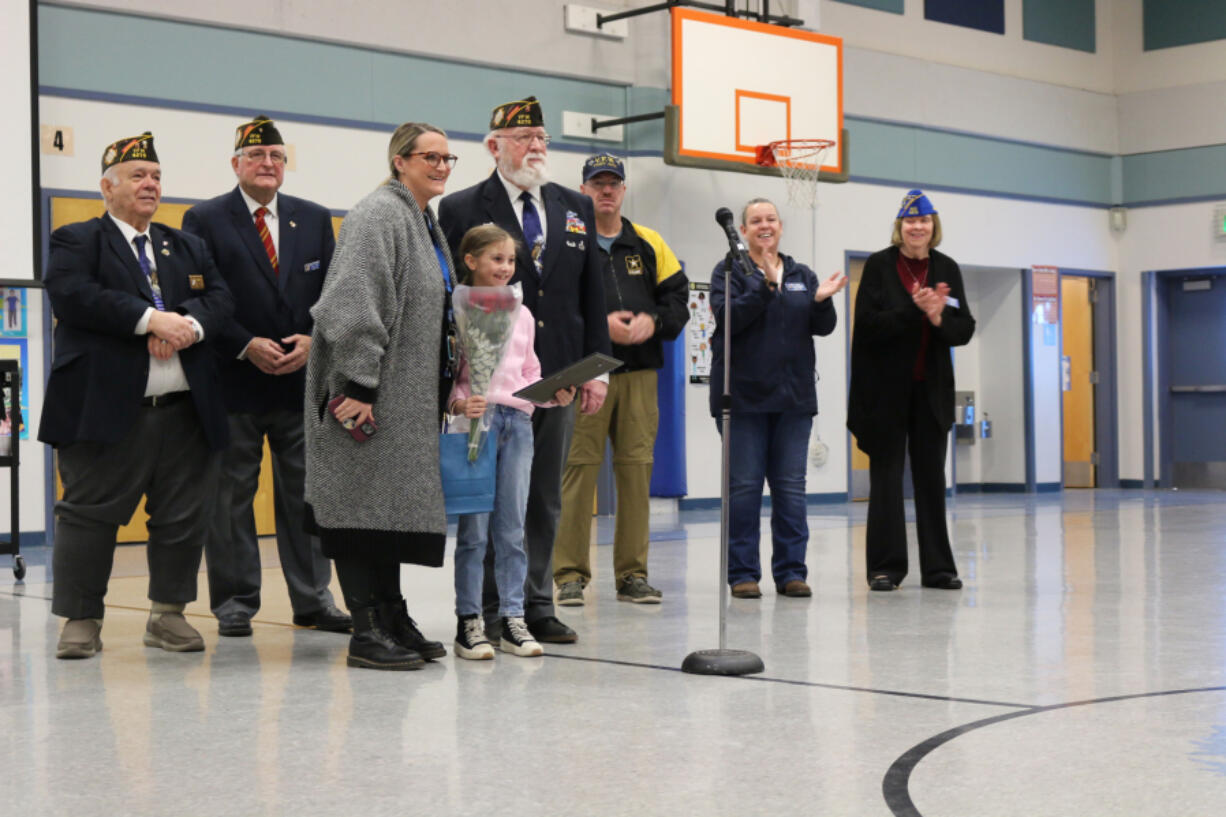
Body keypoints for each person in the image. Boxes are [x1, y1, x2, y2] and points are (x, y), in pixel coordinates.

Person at [41, 132, 234, 659]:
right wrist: (150, 318)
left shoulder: (186, 244)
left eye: (155, 176)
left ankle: (167, 616)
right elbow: (73, 295)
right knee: (89, 515)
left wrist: (187, 328)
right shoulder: (77, 239)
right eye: (137, 176)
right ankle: (81, 620)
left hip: (184, 413)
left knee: (181, 517)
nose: (150, 184)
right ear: (107, 187)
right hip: (103, 411)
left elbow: (220, 299)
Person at [439, 96, 611, 645]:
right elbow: (450, 297)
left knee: (541, 498)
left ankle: (533, 605)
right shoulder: (462, 206)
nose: (536, 146)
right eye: (523, 137)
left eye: (542, 137)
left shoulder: (573, 204)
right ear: (494, 147)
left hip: (553, 378)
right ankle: (485, 610)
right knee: (484, 504)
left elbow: (592, 291)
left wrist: (595, 371)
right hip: (486, 390)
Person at [182, 115, 350, 638]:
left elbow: (332, 292)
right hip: (234, 380)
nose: (268, 164)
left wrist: (312, 339)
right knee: (230, 497)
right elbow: (198, 295)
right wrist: (243, 344)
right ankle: (234, 602)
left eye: (276, 156)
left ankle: (313, 599)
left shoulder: (315, 218)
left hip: (300, 381)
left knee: (308, 495)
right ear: (236, 164)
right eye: (256, 156)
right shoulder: (205, 218)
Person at [303, 122, 457, 670]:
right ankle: (366, 630)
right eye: (429, 157)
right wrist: (358, 385)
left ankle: (391, 616)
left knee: (384, 515)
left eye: (447, 158)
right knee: (358, 512)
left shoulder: (419, 218)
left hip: (405, 401)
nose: (440, 166)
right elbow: (351, 305)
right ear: (399, 160)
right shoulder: (377, 215)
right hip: (366, 396)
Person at [552, 154, 689, 606]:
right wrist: (598, 326)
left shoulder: (649, 242)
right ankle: (569, 575)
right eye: (597, 184)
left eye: (614, 184)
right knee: (577, 472)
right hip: (585, 369)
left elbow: (678, 300)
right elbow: (552, 306)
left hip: (638, 373)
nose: (606, 191)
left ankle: (632, 575)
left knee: (635, 473)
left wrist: (654, 322)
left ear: (624, 190)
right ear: (583, 189)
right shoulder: (567, 241)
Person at [447, 224, 576, 659]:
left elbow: (529, 370)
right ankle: (469, 623)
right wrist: (459, 404)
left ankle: (512, 619)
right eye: (496, 259)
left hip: (517, 425)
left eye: (510, 261)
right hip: (476, 427)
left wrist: (549, 391)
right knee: (474, 532)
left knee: (512, 528)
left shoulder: (521, 312)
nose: (505, 268)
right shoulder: (455, 309)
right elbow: (449, 375)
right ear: (471, 261)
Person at [709, 198, 847, 599]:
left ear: (781, 227)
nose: (764, 225)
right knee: (745, 489)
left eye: (770, 219)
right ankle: (743, 574)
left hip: (794, 401)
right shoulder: (729, 271)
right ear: (745, 230)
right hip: (744, 400)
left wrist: (821, 302)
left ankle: (791, 572)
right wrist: (766, 287)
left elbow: (822, 328)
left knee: (791, 490)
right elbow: (729, 317)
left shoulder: (802, 273)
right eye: (755, 221)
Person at [847, 190, 976, 592]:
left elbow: (964, 329)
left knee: (930, 479)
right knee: (885, 479)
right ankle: (886, 568)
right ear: (899, 227)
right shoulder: (879, 266)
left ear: (933, 227)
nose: (917, 227)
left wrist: (939, 317)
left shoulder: (947, 268)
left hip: (930, 392)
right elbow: (868, 326)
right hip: (885, 393)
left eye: (924, 221)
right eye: (909, 222)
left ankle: (938, 569)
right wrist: (913, 310)